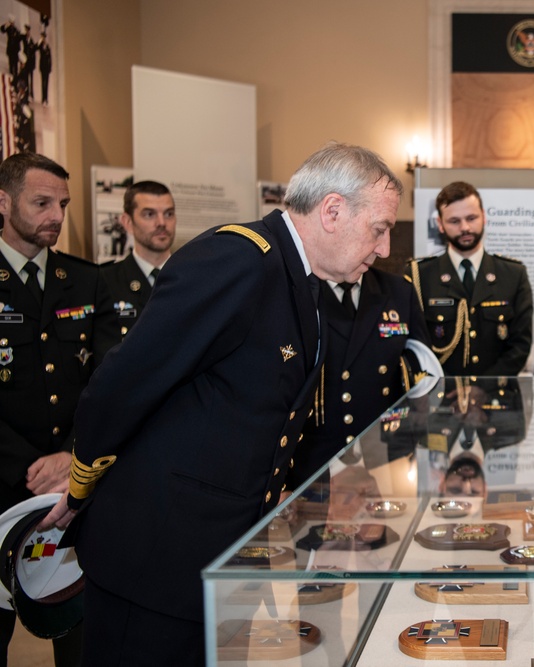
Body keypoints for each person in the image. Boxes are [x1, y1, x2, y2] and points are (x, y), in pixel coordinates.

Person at [41, 141, 403, 666]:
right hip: (157, 560)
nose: (386, 247)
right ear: (331, 211)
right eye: (379, 228)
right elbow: (124, 382)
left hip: (221, 557)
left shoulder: (300, 279)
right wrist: (81, 483)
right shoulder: (240, 258)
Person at [0, 152, 116, 666]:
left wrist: (73, 454)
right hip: (4, 489)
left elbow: (110, 382)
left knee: (81, 638)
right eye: (41, 202)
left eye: (62, 205)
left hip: (77, 489)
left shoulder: (87, 281)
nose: (56, 216)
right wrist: (29, 466)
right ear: (4, 202)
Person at [288, 264, 441, 486]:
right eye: (377, 231)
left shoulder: (398, 290)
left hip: (386, 456)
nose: (384, 250)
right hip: (317, 461)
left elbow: (422, 374)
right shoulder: (299, 289)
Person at [405, 181, 533, 376]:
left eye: (471, 218)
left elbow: (520, 346)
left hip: (497, 398)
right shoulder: (418, 276)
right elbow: (413, 346)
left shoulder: (513, 274)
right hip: (440, 399)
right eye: (454, 221)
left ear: (484, 217)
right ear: (440, 224)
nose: (465, 227)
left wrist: (482, 389)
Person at [100, 180, 176, 339]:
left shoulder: (192, 277)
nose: (162, 223)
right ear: (127, 222)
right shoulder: (105, 281)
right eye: (149, 214)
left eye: (168, 214)